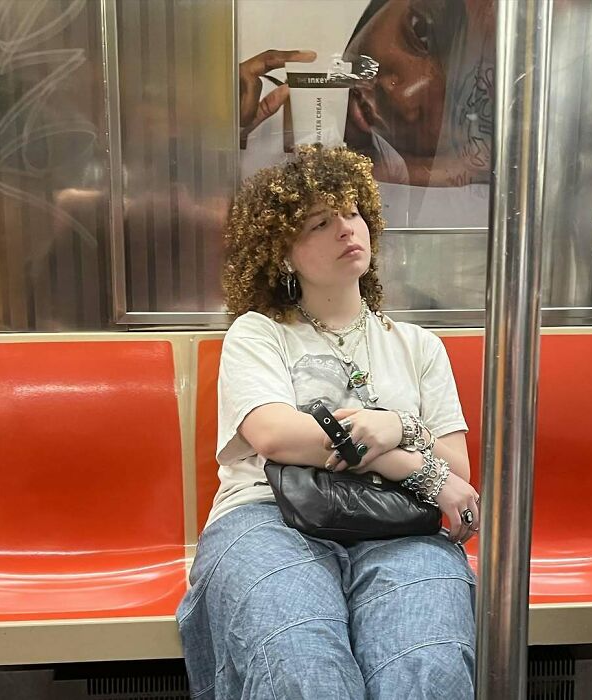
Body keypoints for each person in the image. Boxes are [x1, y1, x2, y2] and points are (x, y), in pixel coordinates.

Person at [177, 144, 479, 699]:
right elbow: (276, 435)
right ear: (283, 254)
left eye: (353, 213)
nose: (346, 229)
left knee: (424, 664)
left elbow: (457, 465)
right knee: (300, 661)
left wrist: (398, 430)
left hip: (397, 523)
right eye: (320, 222)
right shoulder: (258, 332)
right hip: (268, 514)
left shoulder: (418, 346)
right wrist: (399, 446)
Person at [239, 0, 495, 188]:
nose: (403, 96)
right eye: (420, 32)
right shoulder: (251, 115)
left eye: (458, 104)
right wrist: (209, 137)